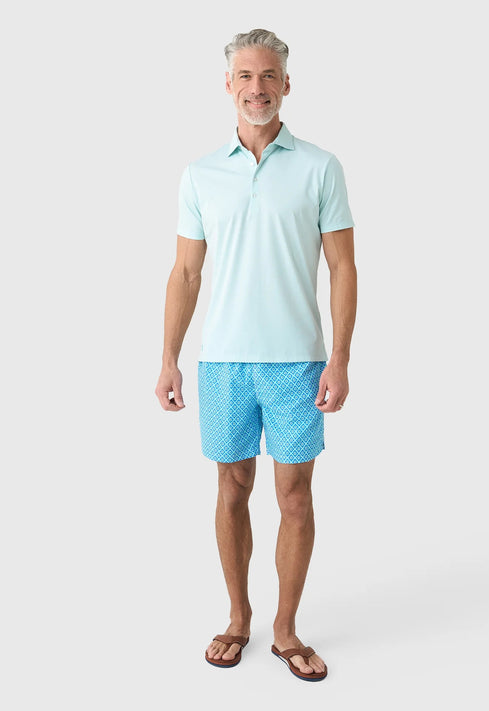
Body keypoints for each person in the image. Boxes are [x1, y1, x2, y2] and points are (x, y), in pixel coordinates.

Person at [155, 28, 357, 682]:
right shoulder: (200, 174)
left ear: (286, 84)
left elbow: (343, 267)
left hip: (298, 362)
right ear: (228, 85)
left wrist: (340, 358)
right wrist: (169, 357)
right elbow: (186, 273)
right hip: (223, 363)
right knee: (231, 487)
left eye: (268, 75)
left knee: (294, 496)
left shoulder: (320, 167)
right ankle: (238, 617)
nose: (257, 87)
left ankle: (286, 628)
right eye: (245, 75)